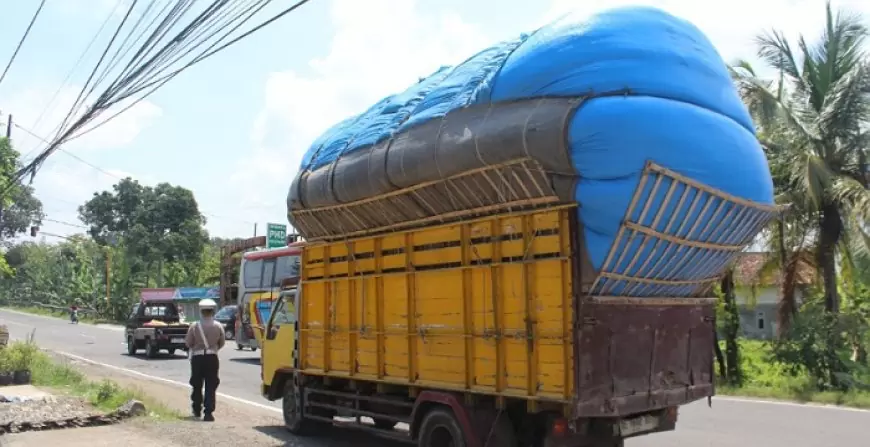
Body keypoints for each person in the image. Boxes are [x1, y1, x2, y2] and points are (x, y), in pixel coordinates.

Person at [184, 298, 225, 421]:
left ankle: (196, 408)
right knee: (211, 384)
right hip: (212, 358)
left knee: (196, 384)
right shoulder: (218, 326)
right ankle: (208, 412)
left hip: (197, 358)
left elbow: (188, 343)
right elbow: (222, 343)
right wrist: (213, 349)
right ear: (213, 311)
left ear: (201, 311)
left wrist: (197, 347)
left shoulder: (194, 326)